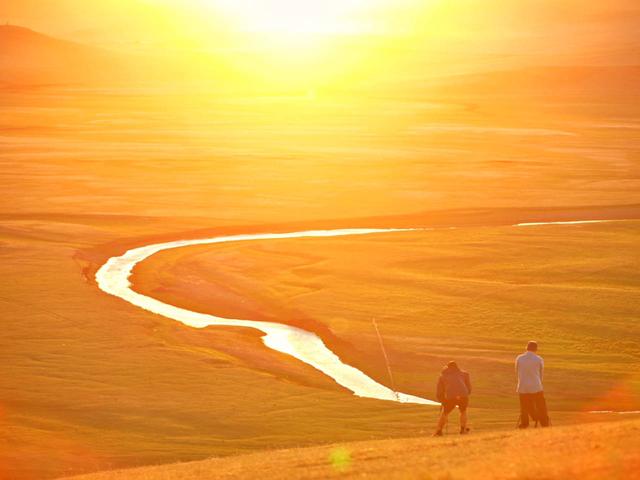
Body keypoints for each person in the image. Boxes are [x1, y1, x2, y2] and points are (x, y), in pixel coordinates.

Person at [515, 341, 550, 428]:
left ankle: (525, 423)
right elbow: (541, 374)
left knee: (524, 407)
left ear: (526, 348)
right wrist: (539, 383)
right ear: (536, 349)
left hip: (523, 387)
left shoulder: (519, 358)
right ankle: (544, 423)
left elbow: (517, 372)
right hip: (536, 387)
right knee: (541, 406)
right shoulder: (539, 359)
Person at [433, 361, 471, 436]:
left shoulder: (443, 375)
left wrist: (442, 400)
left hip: (451, 396)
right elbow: (469, 387)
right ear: (457, 367)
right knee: (463, 411)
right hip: (463, 395)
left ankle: (439, 431)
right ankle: (463, 430)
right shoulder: (464, 374)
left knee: (445, 413)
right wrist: (466, 393)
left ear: (448, 367)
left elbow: (440, 390)